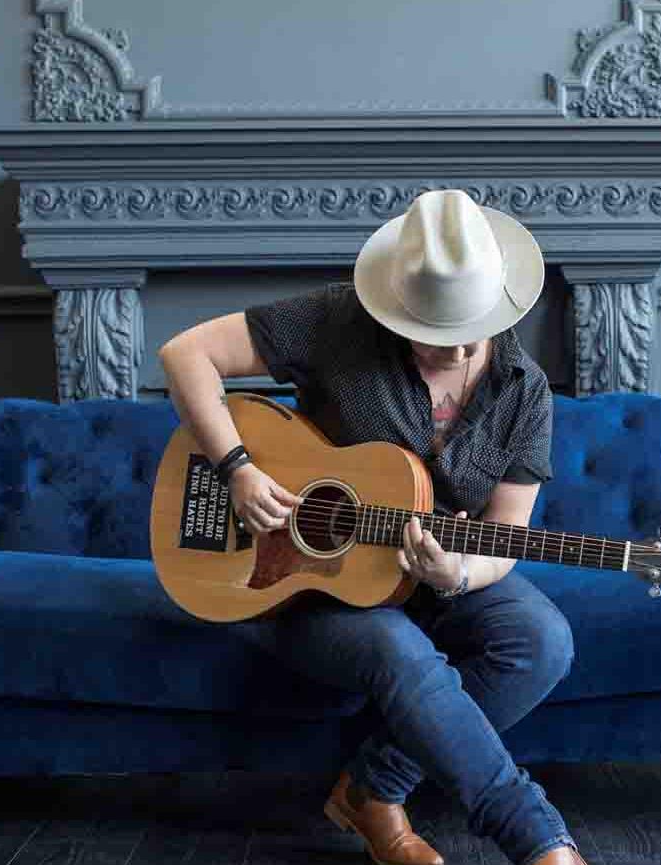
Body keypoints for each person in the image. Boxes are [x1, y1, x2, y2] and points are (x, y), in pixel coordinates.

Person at [158, 189, 587, 865]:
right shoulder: (337, 321)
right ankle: (536, 840)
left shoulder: (524, 390)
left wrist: (462, 572)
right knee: (397, 650)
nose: (459, 347)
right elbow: (185, 354)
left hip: (422, 580)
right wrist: (237, 468)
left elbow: (507, 532)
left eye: (472, 326)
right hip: (295, 582)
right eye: (437, 330)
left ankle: (373, 786)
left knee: (544, 640)